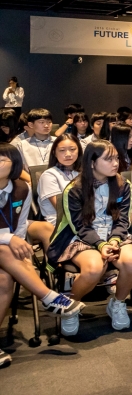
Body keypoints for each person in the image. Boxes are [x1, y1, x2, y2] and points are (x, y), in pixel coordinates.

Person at [0, 143, 84, 366]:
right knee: (5, 245)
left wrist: (21, 246)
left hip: (7, 251)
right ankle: (48, 297)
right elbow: (11, 236)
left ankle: (51, 290)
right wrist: (11, 240)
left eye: (1, 160)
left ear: (14, 164)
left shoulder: (22, 188)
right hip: (3, 245)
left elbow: (18, 225)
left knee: (5, 278)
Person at [47, 140, 132, 336]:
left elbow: (123, 220)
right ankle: (69, 307)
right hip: (82, 237)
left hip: (114, 235)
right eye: (108, 159)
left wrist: (114, 241)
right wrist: (100, 245)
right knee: (94, 268)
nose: (115, 163)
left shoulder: (123, 185)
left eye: (116, 158)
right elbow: (79, 227)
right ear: (92, 163)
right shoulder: (73, 189)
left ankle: (117, 303)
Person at [33, 133, 83, 252]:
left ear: (79, 151)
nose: (68, 154)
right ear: (54, 153)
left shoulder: (82, 173)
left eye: (72, 149)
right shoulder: (49, 175)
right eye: (62, 150)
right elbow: (62, 209)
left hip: (83, 219)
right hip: (61, 223)